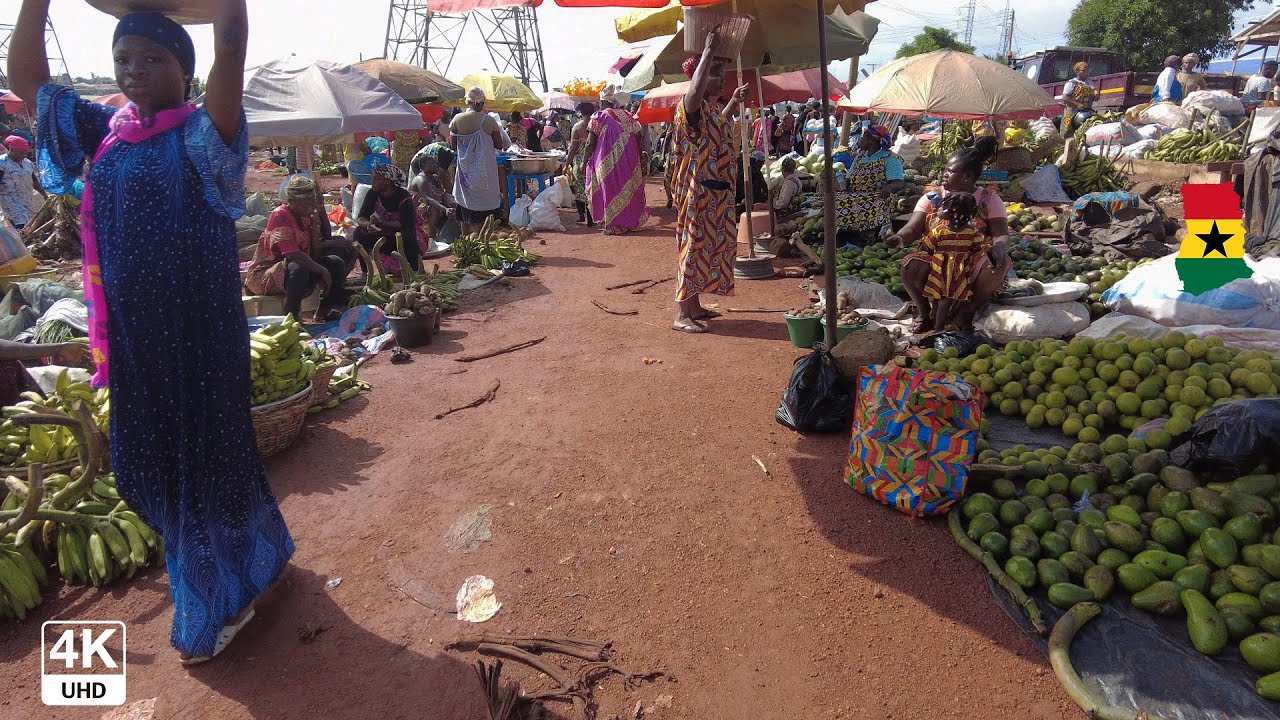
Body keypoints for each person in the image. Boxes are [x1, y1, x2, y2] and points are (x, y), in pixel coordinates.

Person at [14, 1, 293, 663]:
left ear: (183, 70)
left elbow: (231, 47)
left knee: (199, 462)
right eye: (123, 59)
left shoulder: (203, 133)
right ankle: (258, 554)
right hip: (137, 340)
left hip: (198, 335)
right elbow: (32, 85)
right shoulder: (105, 131)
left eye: (153, 59)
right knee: (157, 465)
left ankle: (212, 609)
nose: (134, 71)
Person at [886, 137, 1011, 334]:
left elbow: (1001, 234)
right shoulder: (932, 197)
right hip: (937, 259)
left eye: (950, 171)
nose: (944, 175)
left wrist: (998, 249)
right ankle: (924, 314)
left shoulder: (989, 199)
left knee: (1000, 264)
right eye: (945, 170)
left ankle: (966, 313)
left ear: (968, 177)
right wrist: (899, 237)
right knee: (911, 264)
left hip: (972, 261)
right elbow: (912, 228)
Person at [670, 31, 749, 334]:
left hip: (715, 193)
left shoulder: (712, 110)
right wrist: (707, 52)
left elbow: (717, 127)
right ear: (699, 78)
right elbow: (695, 99)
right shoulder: (688, 106)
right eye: (715, 74)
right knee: (692, 249)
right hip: (697, 193)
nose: (721, 78)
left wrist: (735, 102)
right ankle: (681, 314)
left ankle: (694, 306)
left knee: (706, 249)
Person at [244, 176, 350, 320]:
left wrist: (314, 227)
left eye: (312, 205)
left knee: (335, 262)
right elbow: (292, 254)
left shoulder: (306, 217)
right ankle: (291, 316)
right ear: (292, 202)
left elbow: (314, 255)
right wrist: (322, 270)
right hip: (266, 274)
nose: (311, 208)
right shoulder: (280, 215)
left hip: (292, 270)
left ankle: (324, 310)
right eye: (306, 205)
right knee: (298, 267)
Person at [917, 192, 985, 332]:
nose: (939, 210)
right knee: (943, 299)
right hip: (959, 272)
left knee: (943, 300)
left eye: (943, 207)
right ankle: (940, 322)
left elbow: (927, 247)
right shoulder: (972, 231)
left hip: (941, 270)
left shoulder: (939, 230)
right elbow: (980, 247)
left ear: (952, 212)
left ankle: (938, 329)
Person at [585, 89, 649, 235]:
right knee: (628, 189)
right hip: (629, 159)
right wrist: (637, 155)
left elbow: (590, 142)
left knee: (610, 188)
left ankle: (613, 225)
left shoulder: (599, 116)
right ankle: (629, 222)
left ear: (602, 102)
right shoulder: (628, 115)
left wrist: (585, 160)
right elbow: (638, 135)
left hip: (607, 160)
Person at [450, 87, 504, 235]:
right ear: (482, 103)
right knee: (485, 206)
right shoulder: (489, 121)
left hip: (465, 170)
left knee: (465, 204)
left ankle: (466, 240)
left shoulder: (457, 120)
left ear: (468, 102)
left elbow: (453, 145)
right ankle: (483, 241)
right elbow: (499, 144)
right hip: (486, 169)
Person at [837, 125, 903, 246]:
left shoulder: (890, 158)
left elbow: (898, 183)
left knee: (848, 205)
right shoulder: (860, 157)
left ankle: (862, 236)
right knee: (834, 201)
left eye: (863, 137)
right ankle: (845, 234)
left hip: (879, 197)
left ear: (873, 140)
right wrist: (843, 187)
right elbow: (848, 178)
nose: (860, 140)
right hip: (857, 195)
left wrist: (888, 188)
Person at [355, 163, 420, 271]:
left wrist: (381, 223)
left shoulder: (403, 196)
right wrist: (368, 225)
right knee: (358, 233)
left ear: (387, 181)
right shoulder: (372, 194)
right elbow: (361, 217)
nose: (373, 182)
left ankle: (413, 269)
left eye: (377, 179)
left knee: (409, 234)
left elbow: (404, 223)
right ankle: (365, 272)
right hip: (381, 234)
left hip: (399, 236)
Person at [410, 146, 456, 242]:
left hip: (435, 205)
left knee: (453, 205)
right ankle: (431, 236)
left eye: (436, 163)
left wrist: (450, 207)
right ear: (423, 165)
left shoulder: (435, 178)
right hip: (418, 210)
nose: (436, 165)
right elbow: (428, 199)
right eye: (432, 163)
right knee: (433, 209)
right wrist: (445, 209)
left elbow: (443, 194)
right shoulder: (420, 179)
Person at [0, 134, 46, 228]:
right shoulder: (2, 163)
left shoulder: (27, 163)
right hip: (9, 202)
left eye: (25, 153)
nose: (24, 155)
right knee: (19, 225)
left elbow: (34, 181)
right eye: (20, 152)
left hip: (27, 201)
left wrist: (44, 195)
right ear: (11, 149)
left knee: (30, 226)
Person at [565, 103, 595, 226]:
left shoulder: (577, 127)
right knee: (592, 189)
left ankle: (582, 215)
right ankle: (591, 217)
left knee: (579, 189)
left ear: (581, 113)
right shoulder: (597, 126)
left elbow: (572, 148)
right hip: (594, 162)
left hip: (580, 162)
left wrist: (567, 164)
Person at [1060, 62, 1097, 136]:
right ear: (1077, 71)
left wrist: (1095, 97)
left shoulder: (1090, 83)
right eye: (1083, 71)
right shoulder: (1071, 83)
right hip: (1072, 112)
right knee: (1069, 132)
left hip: (1086, 111)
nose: (1086, 73)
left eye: (1087, 71)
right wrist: (1077, 104)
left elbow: (1093, 94)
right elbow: (1065, 97)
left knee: (1083, 132)